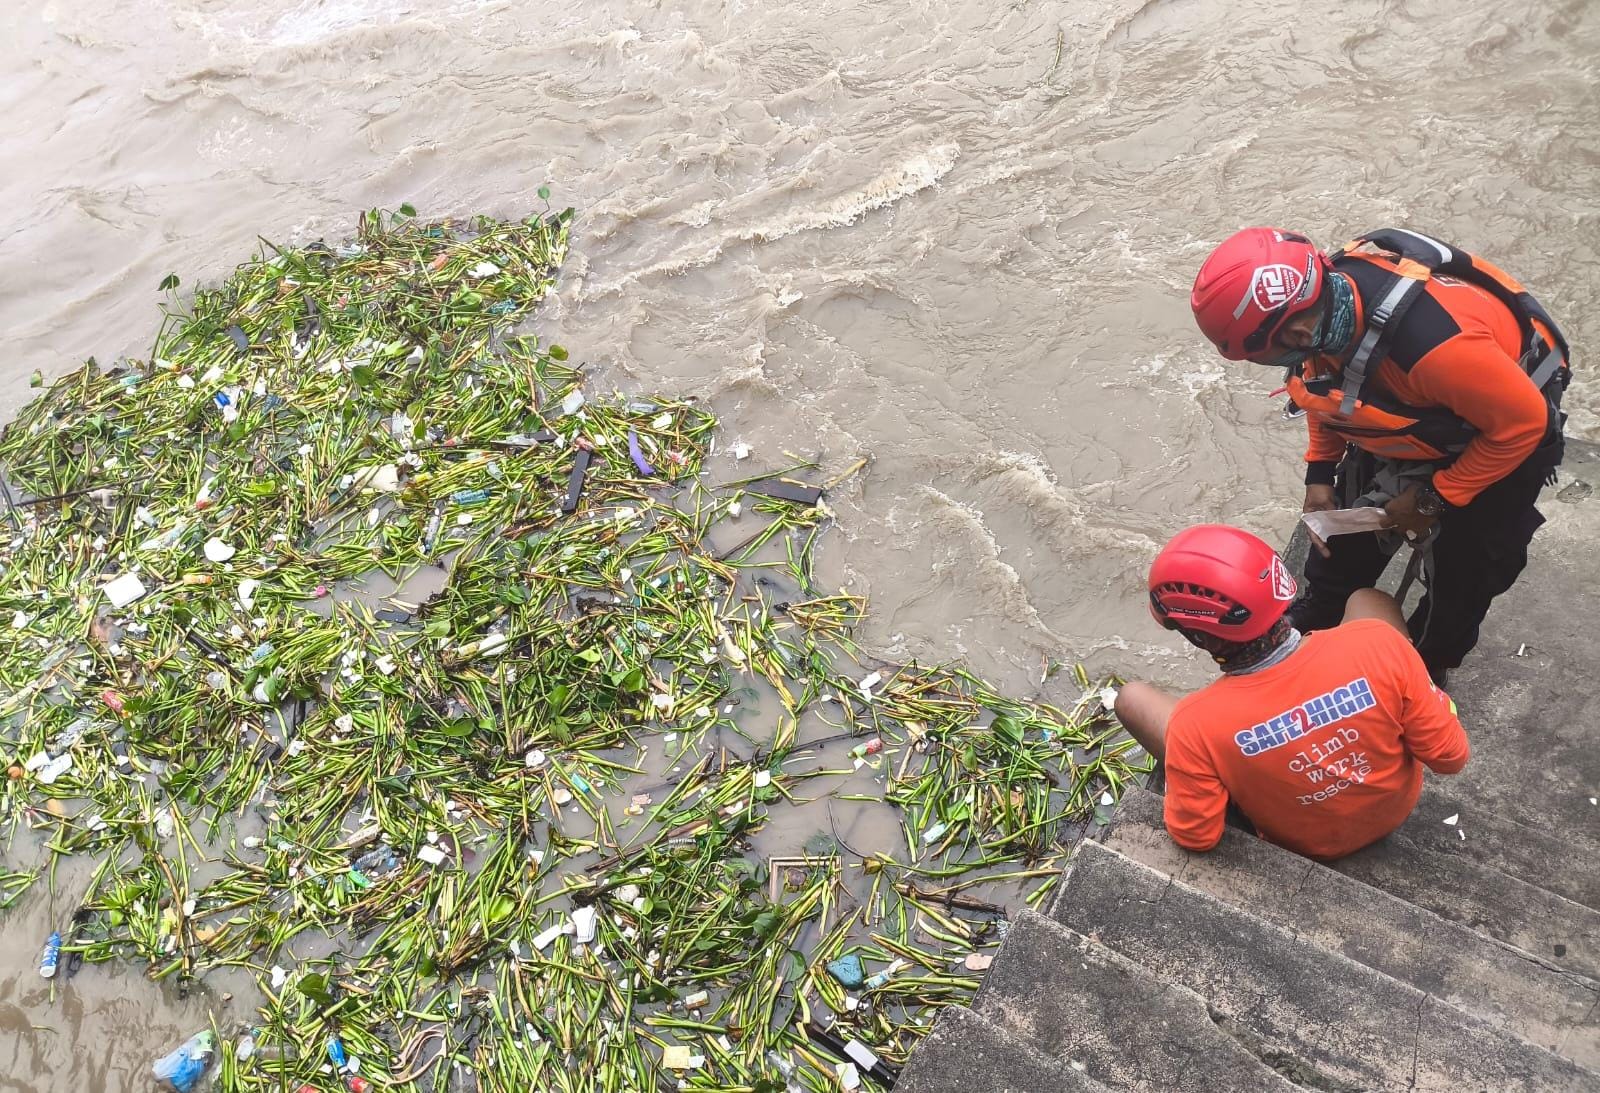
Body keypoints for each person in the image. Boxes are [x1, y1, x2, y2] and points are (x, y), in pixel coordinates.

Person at [1189, 227, 1570, 686]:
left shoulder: (1436, 350)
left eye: (1262, 357)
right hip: (1414, 414)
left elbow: (1524, 426)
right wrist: (1320, 473)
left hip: (1497, 427)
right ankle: (1324, 609)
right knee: (1343, 532)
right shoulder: (1325, 309)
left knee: (1466, 568)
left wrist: (1433, 497)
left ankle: (1431, 659)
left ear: (1298, 329)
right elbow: (1319, 387)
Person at [1114, 524, 1468, 861]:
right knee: (1369, 599)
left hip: (1303, 842)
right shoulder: (1380, 644)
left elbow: (1197, 836)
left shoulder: (1196, 726)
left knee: (1130, 698)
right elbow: (1451, 757)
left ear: (1198, 637)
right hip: (1391, 812)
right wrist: (1403, 690)